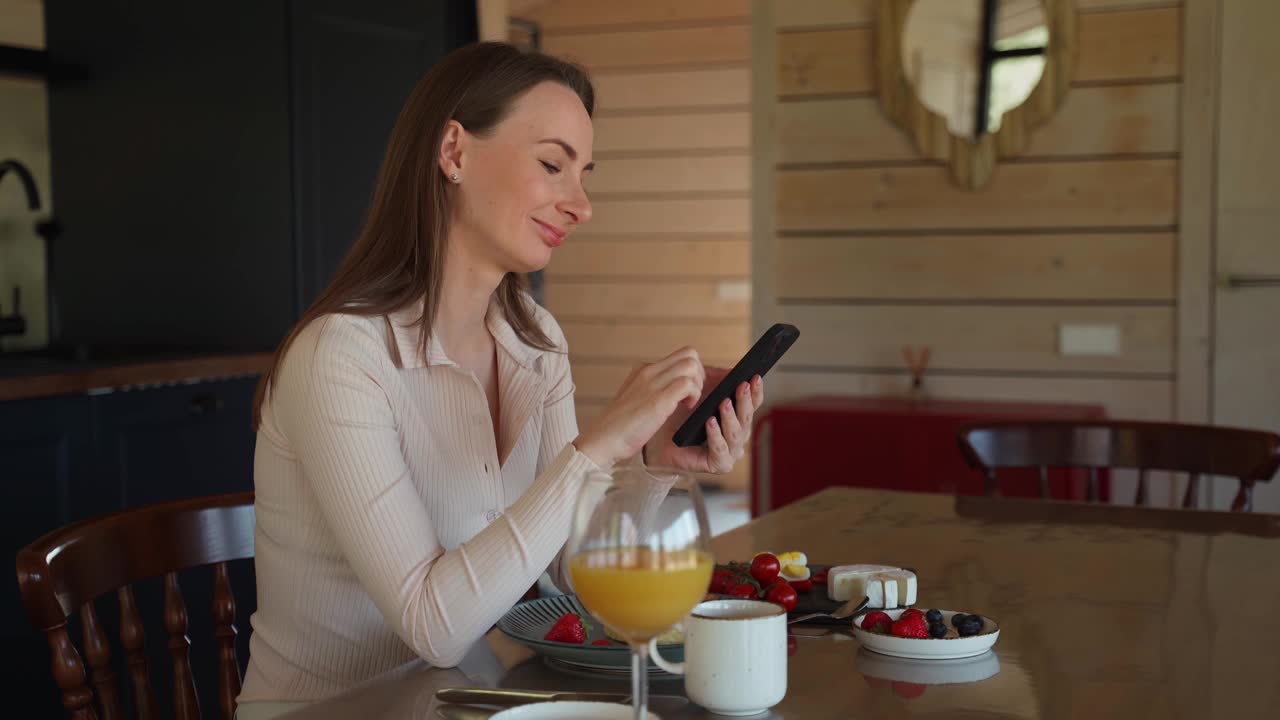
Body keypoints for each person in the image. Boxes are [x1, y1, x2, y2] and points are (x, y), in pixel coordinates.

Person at [235, 41, 763, 714]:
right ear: (453, 152)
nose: (582, 204)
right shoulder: (341, 355)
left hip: (465, 702)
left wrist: (654, 464)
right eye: (552, 165)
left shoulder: (535, 340)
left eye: (584, 173)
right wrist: (598, 448)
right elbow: (436, 627)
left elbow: (573, 571)